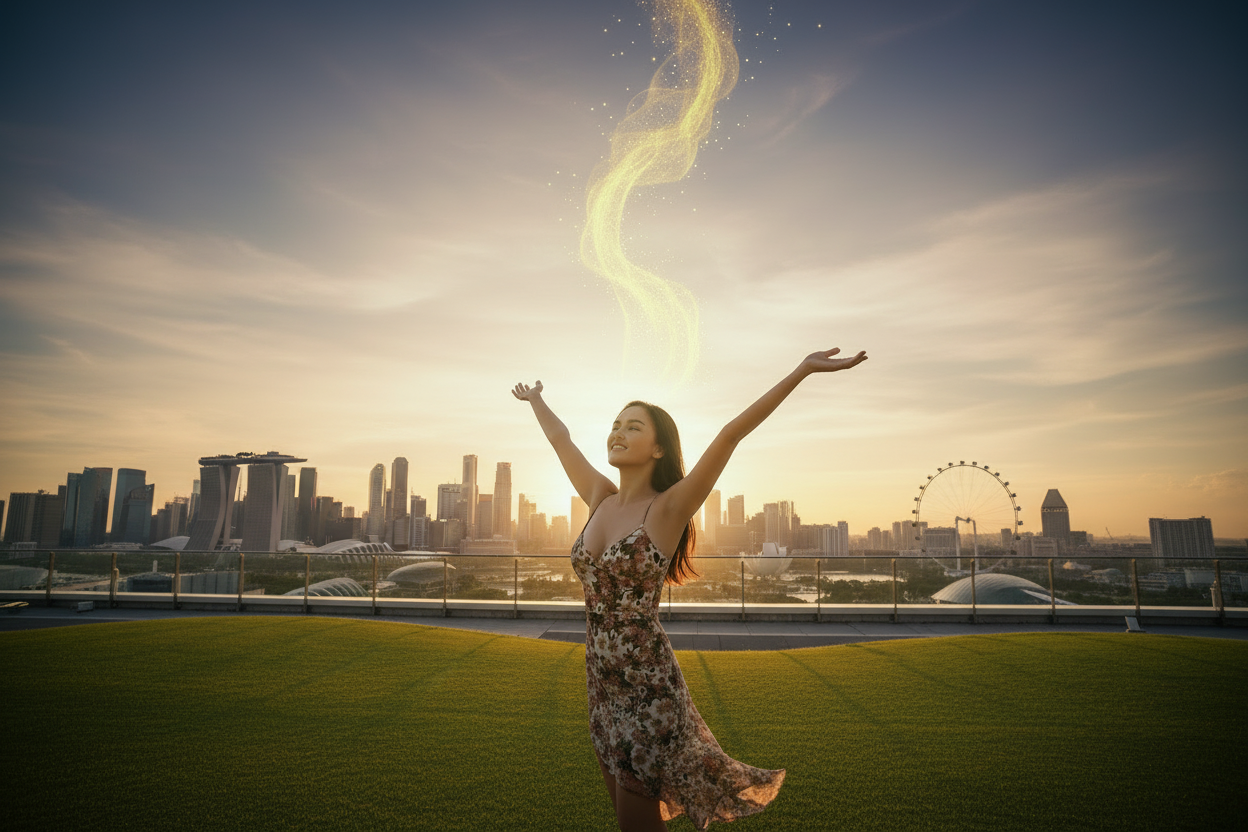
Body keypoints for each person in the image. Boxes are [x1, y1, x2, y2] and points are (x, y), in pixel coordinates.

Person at [512, 346, 868, 831]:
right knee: (628, 819)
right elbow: (561, 441)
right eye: (615, 424)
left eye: (633, 426)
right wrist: (535, 400)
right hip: (600, 683)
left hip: (647, 687)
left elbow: (730, 434)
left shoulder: (668, 509)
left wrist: (802, 371)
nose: (618, 432)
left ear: (658, 448)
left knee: (637, 821)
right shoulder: (600, 498)